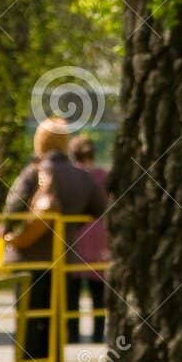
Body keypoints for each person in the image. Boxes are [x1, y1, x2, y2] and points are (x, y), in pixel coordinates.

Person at [2, 119, 105, 362]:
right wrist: (70, 225)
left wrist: (13, 231)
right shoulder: (81, 177)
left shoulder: (33, 173)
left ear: (40, 141)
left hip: (29, 260)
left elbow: (12, 209)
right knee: (55, 321)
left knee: (28, 320)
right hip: (62, 259)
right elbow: (99, 207)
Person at [66, 134, 110, 345]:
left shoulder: (72, 176)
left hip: (76, 235)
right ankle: (98, 334)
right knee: (98, 291)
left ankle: (73, 334)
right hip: (99, 236)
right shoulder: (103, 175)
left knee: (73, 290)